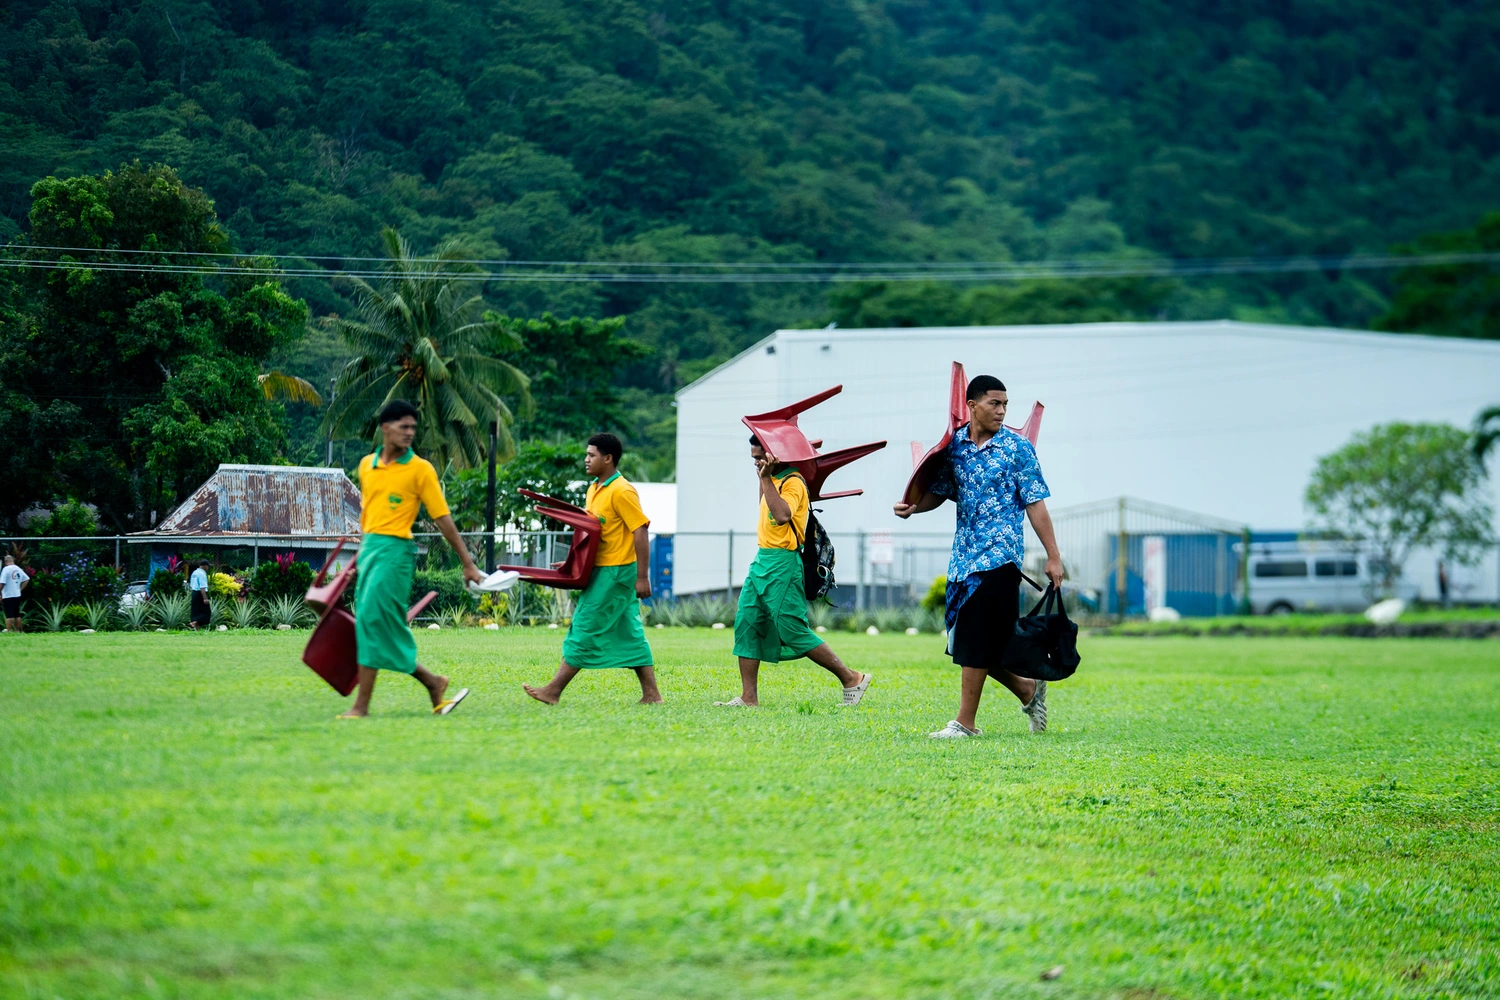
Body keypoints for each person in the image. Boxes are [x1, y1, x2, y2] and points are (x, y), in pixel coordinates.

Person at [895, 374, 1064, 739]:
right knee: (968, 641)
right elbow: (940, 491)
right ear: (972, 406)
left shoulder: (1017, 449)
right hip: (963, 559)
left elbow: (1036, 504)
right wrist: (913, 507)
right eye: (994, 404)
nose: (1002, 411)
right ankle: (1027, 689)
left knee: (974, 636)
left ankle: (965, 724)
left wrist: (1053, 556)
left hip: (1001, 558)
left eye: (1005, 405)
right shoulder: (955, 446)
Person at [341, 399, 485, 719]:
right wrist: (356, 564)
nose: (409, 433)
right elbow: (368, 518)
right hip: (370, 550)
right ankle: (433, 682)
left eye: (413, 428)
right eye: (403, 426)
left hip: (396, 553)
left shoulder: (421, 469)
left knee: (371, 621)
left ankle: (362, 707)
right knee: (373, 622)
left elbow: (442, 518)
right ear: (385, 428)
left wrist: (467, 562)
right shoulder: (366, 466)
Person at [714, 435, 871, 708]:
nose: (756, 462)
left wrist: (765, 478)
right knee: (747, 622)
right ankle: (748, 697)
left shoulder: (794, 482)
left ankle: (851, 678)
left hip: (784, 564)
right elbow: (764, 508)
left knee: (792, 628)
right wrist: (764, 478)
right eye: (754, 458)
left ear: (774, 454)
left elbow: (782, 516)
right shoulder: (772, 479)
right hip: (762, 560)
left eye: (759, 457)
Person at [523, 433, 662, 705]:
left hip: (616, 572)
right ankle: (652, 695)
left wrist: (642, 576)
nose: (586, 459)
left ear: (608, 458)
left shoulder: (622, 490)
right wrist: (572, 563)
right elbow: (591, 534)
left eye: (591, 455)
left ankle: (553, 691)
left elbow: (640, 530)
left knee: (585, 626)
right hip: (601, 570)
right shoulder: (594, 489)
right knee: (630, 632)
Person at [2, 555, 29, 633]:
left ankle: (9, 631)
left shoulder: (6, 569)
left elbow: (2, 583)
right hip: (17, 595)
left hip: (8, 595)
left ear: (5, 561)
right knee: (17, 614)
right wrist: (20, 589)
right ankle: (19, 630)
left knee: (9, 615)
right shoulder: (18, 569)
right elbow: (27, 579)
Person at [188, 560, 211, 629]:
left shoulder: (194, 572)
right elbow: (202, 587)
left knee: (196, 611)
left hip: (194, 592)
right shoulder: (202, 574)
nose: (208, 568)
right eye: (208, 566)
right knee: (206, 612)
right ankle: (194, 623)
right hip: (201, 593)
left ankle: (196, 628)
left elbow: (191, 584)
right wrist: (205, 598)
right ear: (205, 566)